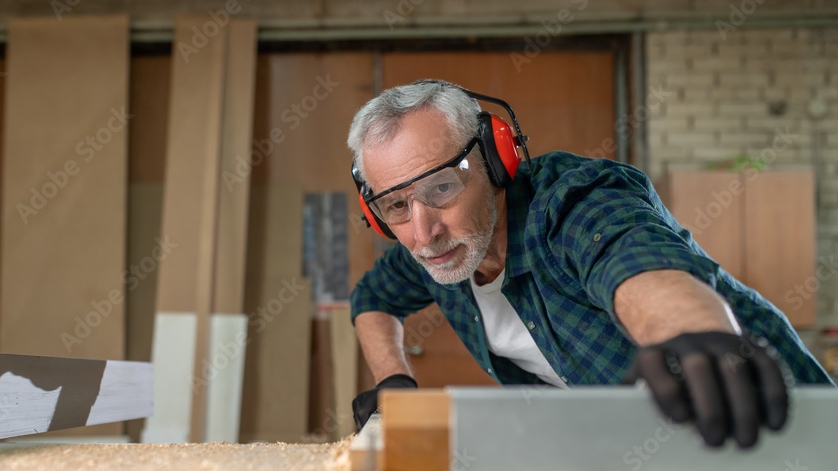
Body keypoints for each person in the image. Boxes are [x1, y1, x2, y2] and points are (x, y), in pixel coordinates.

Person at [347, 79, 834, 448]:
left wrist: (689, 334)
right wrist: (394, 380)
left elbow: (634, 261)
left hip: (781, 427)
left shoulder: (573, 202)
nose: (423, 231)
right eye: (396, 206)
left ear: (498, 161)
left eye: (442, 188)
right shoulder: (441, 253)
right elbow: (373, 297)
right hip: (664, 459)